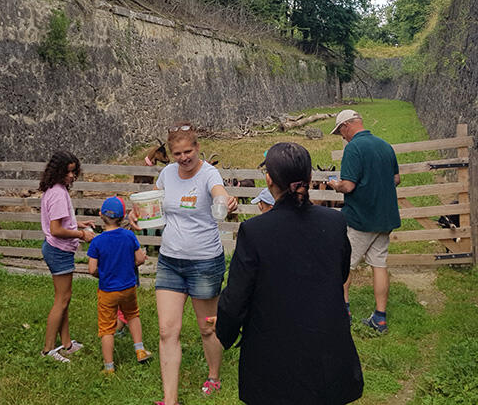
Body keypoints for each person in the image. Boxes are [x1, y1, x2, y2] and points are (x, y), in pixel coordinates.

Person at [209, 141, 363, 404]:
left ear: (269, 180)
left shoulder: (255, 231)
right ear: (309, 178)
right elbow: (340, 273)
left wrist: (225, 327)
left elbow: (237, 295)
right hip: (326, 346)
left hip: (273, 353)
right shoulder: (335, 222)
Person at [136, 122, 237, 405]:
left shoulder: (209, 174)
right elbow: (152, 204)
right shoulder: (167, 174)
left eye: (188, 151)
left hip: (204, 262)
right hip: (170, 261)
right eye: (178, 153)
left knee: (207, 327)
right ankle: (170, 400)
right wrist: (137, 216)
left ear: (197, 147)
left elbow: (219, 193)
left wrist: (226, 201)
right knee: (168, 330)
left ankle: (214, 377)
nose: (184, 158)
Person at [326, 109, 401, 333]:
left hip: (360, 219)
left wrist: (335, 185)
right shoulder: (385, 146)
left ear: (346, 126)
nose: (342, 137)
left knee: (344, 265)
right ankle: (380, 318)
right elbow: (396, 178)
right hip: (384, 217)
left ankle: (342, 312)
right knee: (379, 265)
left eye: (341, 132)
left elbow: (348, 185)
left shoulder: (354, 148)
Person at [38, 151, 94, 362]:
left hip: (56, 249)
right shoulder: (59, 194)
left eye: (73, 171)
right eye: (67, 172)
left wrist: (78, 224)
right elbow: (56, 229)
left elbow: (61, 222)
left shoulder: (53, 190)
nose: (71, 176)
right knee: (61, 300)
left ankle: (67, 343)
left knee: (65, 299)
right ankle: (48, 349)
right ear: (58, 171)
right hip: (58, 250)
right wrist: (82, 234)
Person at [87, 196, 153, 374]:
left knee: (107, 327)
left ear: (101, 215)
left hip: (108, 290)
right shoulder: (129, 235)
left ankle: (109, 367)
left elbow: (92, 269)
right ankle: (140, 350)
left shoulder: (97, 241)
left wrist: (104, 273)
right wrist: (126, 266)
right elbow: (139, 259)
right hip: (128, 287)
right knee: (132, 315)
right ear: (123, 218)